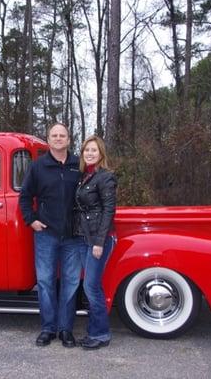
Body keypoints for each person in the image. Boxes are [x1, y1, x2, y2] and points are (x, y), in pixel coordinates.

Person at [19, 123, 83, 348]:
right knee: (45, 282)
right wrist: (32, 220)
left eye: (62, 135)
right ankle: (48, 329)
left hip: (74, 236)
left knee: (71, 282)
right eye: (54, 135)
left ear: (68, 139)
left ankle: (65, 330)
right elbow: (25, 197)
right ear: (48, 139)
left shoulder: (79, 165)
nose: (58, 138)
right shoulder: (38, 167)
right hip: (46, 234)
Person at [73, 135, 117, 350]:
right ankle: (93, 332)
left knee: (91, 286)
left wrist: (99, 242)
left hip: (98, 239)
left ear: (101, 154)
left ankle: (101, 334)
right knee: (90, 286)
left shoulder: (105, 177)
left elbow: (109, 210)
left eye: (94, 150)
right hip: (83, 237)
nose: (89, 153)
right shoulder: (84, 176)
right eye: (86, 150)